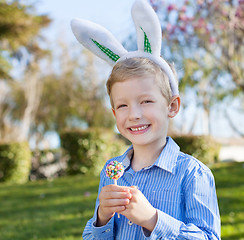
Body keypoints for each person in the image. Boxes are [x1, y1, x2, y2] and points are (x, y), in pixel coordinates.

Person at [71, 0, 220, 239]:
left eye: (146, 101)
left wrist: (152, 219)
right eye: (122, 105)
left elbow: (209, 236)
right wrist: (102, 217)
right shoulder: (111, 173)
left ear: (172, 106)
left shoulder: (192, 174)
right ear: (114, 113)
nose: (134, 114)